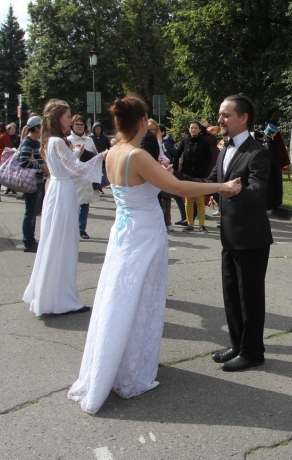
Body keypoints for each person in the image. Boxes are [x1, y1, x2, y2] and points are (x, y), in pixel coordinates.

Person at [68, 95, 240, 415]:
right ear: (143, 121)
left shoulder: (113, 152)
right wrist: (221, 186)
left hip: (123, 234)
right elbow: (179, 188)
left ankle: (116, 362)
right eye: (147, 117)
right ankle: (131, 372)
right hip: (144, 234)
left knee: (120, 298)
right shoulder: (137, 155)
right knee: (142, 299)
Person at [180, 95, 272, 372]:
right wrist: (174, 176)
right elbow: (211, 184)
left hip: (252, 237)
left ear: (243, 118)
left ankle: (253, 352)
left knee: (250, 298)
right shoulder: (224, 149)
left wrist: (239, 189)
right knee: (231, 295)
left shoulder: (258, 152)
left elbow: (257, 192)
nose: (219, 120)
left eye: (225, 115)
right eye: (220, 115)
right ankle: (238, 345)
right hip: (229, 236)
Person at [22, 100, 106, 317]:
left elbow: (64, 166)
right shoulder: (58, 141)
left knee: (56, 241)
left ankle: (51, 295)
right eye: (68, 117)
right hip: (63, 191)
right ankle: (62, 299)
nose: (70, 120)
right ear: (57, 118)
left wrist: (76, 154)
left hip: (57, 189)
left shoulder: (50, 141)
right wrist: (100, 157)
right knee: (64, 243)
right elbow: (76, 170)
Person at [172, 121, 211, 232]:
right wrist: (175, 170)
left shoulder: (204, 142)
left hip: (199, 175)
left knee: (199, 200)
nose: (193, 130)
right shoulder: (184, 141)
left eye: (195, 128)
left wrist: (203, 170)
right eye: (191, 128)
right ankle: (190, 224)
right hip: (186, 174)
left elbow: (209, 158)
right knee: (188, 200)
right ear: (189, 129)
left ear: (199, 130)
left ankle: (202, 224)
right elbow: (177, 155)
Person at [20, 116, 48, 253]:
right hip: (31, 181)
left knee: (33, 212)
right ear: (36, 128)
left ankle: (30, 239)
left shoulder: (35, 142)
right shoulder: (28, 142)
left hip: (38, 180)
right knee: (30, 212)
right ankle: (28, 241)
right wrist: (41, 166)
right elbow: (24, 161)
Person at [68, 115, 99, 239]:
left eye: (81, 124)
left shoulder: (89, 140)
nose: (79, 126)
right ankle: (72, 228)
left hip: (87, 176)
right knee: (73, 203)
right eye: (77, 124)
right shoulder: (68, 140)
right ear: (72, 126)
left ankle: (82, 228)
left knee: (85, 203)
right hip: (74, 176)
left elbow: (95, 154)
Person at [141, 119, 174, 232]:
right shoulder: (144, 141)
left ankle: (165, 222)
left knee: (163, 198)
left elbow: (161, 154)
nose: (153, 131)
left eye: (155, 129)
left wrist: (164, 162)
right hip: (150, 171)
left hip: (158, 168)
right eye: (150, 129)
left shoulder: (158, 140)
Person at [90, 121, 111, 194]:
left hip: (103, 157)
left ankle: (100, 186)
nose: (98, 130)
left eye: (99, 129)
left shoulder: (104, 137)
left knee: (103, 173)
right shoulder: (91, 137)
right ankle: (96, 186)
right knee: (95, 172)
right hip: (94, 157)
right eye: (96, 129)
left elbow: (107, 146)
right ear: (93, 129)